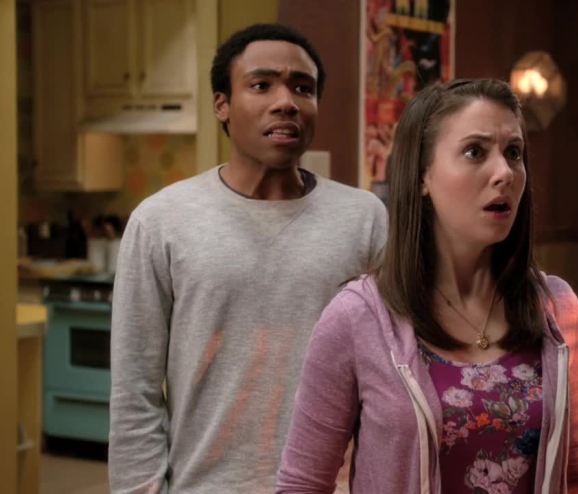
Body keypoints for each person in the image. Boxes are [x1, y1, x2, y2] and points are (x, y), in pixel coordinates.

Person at [276, 79, 578, 493]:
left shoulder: (556, 308)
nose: (504, 173)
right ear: (422, 176)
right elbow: (302, 484)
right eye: (475, 152)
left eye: (513, 153)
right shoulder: (357, 317)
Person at [109, 23, 387, 493]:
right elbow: (134, 388)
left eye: (303, 88)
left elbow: (391, 375)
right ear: (222, 104)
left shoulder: (365, 219)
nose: (286, 102)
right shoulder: (160, 221)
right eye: (261, 85)